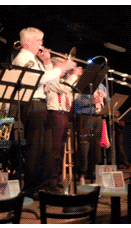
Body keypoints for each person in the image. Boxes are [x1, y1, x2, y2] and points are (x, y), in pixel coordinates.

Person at [8, 27, 76, 198]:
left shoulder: (34, 59)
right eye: (39, 41)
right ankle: (31, 188)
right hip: (31, 104)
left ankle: (42, 184)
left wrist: (47, 63)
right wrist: (61, 68)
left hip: (40, 104)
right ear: (29, 42)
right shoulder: (24, 58)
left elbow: (48, 78)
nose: (41, 45)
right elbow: (39, 79)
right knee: (35, 149)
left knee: (45, 149)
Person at [44, 57, 83, 192]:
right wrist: (73, 76)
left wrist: (76, 80)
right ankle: (51, 180)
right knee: (54, 149)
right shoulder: (51, 78)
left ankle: (58, 177)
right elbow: (61, 88)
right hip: (54, 113)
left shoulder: (63, 81)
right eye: (63, 66)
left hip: (64, 114)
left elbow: (72, 95)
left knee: (60, 149)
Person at [74, 82, 109, 179]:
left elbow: (107, 102)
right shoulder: (82, 84)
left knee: (96, 145)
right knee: (84, 144)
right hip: (84, 118)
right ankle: (82, 171)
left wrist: (106, 97)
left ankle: (93, 170)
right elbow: (76, 101)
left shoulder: (102, 86)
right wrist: (92, 101)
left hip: (97, 118)